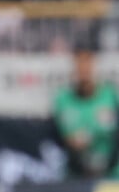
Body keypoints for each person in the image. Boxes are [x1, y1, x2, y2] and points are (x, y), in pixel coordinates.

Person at [51, 46, 119, 179]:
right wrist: (92, 135)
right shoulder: (64, 100)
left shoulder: (111, 96)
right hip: (78, 175)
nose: (84, 70)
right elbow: (72, 139)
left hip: (111, 174)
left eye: (87, 63)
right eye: (80, 64)